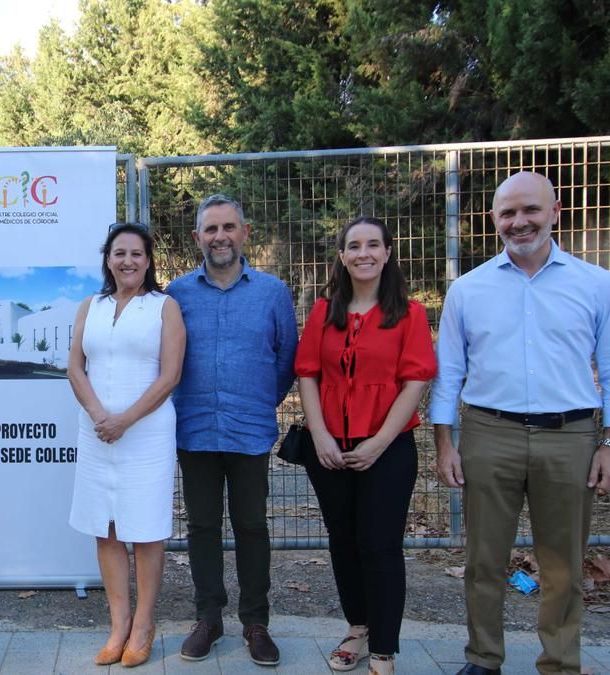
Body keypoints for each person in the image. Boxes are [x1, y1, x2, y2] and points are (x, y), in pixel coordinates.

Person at [432, 171, 610, 675]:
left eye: (530, 211)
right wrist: (444, 443)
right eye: (508, 213)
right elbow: (449, 372)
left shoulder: (595, 284)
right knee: (483, 560)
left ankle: (561, 662)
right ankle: (483, 659)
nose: (519, 222)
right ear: (494, 220)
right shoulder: (468, 289)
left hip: (570, 438)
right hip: (488, 433)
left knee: (563, 564)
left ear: (555, 211)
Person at [295, 217, 437, 674]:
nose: (363, 253)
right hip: (330, 449)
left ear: (388, 252)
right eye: (353, 246)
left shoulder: (410, 313)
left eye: (373, 244)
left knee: (380, 545)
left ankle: (384, 649)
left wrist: (378, 442)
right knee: (344, 541)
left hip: (388, 447)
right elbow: (308, 373)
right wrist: (319, 435)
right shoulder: (324, 310)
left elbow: (415, 381)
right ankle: (358, 629)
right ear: (341, 256)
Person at [166, 194, 297, 667]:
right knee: (201, 527)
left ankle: (256, 623)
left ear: (244, 233)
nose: (220, 236)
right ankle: (208, 619)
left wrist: (262, 402)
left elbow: (286, 358)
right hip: (194, 430)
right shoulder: (176, 294)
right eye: (210, 229)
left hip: (249, 431)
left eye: (228, 227)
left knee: (251, 527)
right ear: (197, 237)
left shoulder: (272, 292)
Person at [67, 222, 185, 668]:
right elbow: (76, 369)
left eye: (136, 253)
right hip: (96, 433)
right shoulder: (90, 306)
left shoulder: (164, 307)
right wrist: (101, 416)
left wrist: (126, 420)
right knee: (107, 528)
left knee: (145, 530)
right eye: (119, 253)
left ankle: (143, 625)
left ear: (149, 260)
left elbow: (170, 375)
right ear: (108, 259)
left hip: (147, 435)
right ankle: (117, 626)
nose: (128, 261)